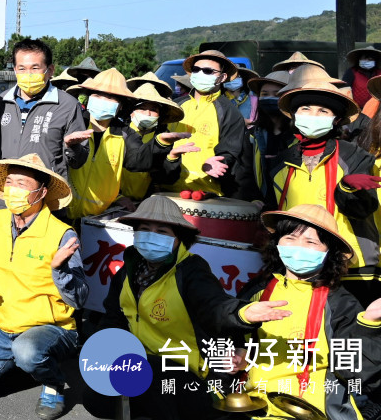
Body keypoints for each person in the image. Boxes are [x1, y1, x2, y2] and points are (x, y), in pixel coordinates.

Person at [97, 195, 291, 420]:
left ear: (179, 239)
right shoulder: (127, 272)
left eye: (162, 231)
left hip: (192, 374)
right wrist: (106, 353)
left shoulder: (191, 270)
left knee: (151, 377)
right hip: (143, 364)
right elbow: (114, 317)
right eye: (145, 229)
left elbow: (214, 306)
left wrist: (242, 313)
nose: (152, 236)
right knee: (98, 397)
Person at [0, 154, 85, 420]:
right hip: (3, 327)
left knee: (27, 351)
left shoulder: (63, 233)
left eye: (22, 184)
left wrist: (59, 270)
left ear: (42, 192)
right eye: (10, 182)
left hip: (51, 328)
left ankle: (53, 382)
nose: (13, 189)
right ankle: (26, 363)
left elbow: (79, 299)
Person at [236, 204, 381, 419]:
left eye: (311, 241)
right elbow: (231, 339)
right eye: (290, 238)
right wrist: (237, 355)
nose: (298, 247)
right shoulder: (257, 289)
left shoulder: (340, 303)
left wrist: (368, 324)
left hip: (316, 413)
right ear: (277, 243)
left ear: (330, 251)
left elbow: (359, 375)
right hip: (254, 409)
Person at [266, 72, 381, 307]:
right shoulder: (281, 161)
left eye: (323, 111)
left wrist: (347, 189)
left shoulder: (354, 156)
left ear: (336, 119)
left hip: (352, 264)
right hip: (299, 262)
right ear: (295, 115)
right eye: (305, 109)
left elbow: (363, 209)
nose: (313, 116)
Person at [65, 69, 181, 218]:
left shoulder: (125, 134)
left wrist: (160, 143)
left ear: (120, 106)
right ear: (88, 98)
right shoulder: (71, 123)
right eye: (98, 95)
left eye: (111, 98)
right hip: (62, 210)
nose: (103, 100)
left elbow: (139, 161)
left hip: (98, 218)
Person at [0, 38, 87, 190]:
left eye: (35, 68)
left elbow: (79, 161)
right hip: (5, 195)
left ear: (50, 70)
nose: (28, 74)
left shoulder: (68, 105)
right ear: (14, 70)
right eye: (22, 68)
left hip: (47, 196)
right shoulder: (0, 101)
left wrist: (71, 146)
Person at [163, 49, 251, 199]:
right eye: (196, 69)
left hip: (205, 196)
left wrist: (218, 163)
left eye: (208, 71)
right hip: (165, 190)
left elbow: (231, 153)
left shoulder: (230, 112)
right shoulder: (175, 106)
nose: (200, 74)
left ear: (222, 77)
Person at [119, 83, 188, 204]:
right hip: (114, 199)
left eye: (153, 110)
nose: (148, 113)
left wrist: (173, 157)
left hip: (147, 201)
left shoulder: (163, 138)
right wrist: (118, 198)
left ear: (160, 115)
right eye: (142, 108)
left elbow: (168, 178)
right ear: (131, 112)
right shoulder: (118, 133)